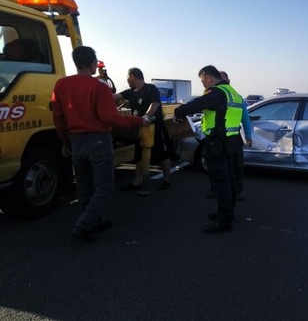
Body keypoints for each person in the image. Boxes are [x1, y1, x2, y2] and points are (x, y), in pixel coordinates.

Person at [51, 46, 150, 242]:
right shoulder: (99, 86)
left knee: (83, 183)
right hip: (98, 140)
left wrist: (64, 141)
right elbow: (110, 117)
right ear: (92, 63)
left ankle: (93, 221)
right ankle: (83, 224)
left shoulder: (61, 85)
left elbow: (58, 116)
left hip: (76, 141)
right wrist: (140, 121)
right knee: (104, 187)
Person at [173, 65, 243, 234]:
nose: (203, 83)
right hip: (233, 140)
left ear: (208, 77)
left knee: (221, 181)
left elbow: (194, 105)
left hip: (218, 142)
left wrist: (178, 112)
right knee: (230, 180)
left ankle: (224, 221)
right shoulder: (233, 92)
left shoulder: (217, 93)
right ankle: (227, 213)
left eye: (202, 80)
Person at [114, 68, 178, 194]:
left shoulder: (151, 88)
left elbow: (154, 105)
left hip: (155, 127)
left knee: (162, 154)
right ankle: (136, 182)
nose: (126, 80)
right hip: (141, 128)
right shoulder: (131, 91)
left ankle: (167, 180)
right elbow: (114, 97)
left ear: (132, 76)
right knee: (139, 155)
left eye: (127, 77)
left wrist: (145, 117)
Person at [217, 70, 252, 200]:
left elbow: (245, 118)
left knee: (235, 167)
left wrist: (248, 135)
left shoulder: (235, 97)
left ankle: (236, 192)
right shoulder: (218, 95)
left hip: (231, 138)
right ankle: (222, 192)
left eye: (223, 80)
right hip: (221, 138)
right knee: (223, 168)